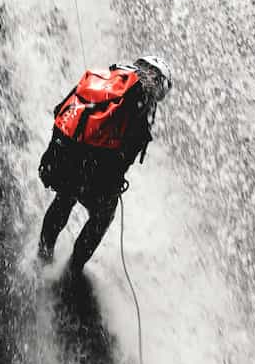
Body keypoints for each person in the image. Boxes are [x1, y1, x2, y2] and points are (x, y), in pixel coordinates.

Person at [38, 54, 172, 272]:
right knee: (104, 214)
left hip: (67, 152)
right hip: (95, 167)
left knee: (64, 199)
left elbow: (62, 110)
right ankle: (72, 269)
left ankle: (43, 256)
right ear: (160, 83)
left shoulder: (111, 75)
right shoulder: (144, 98)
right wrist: (114, 180)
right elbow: (129, 150)